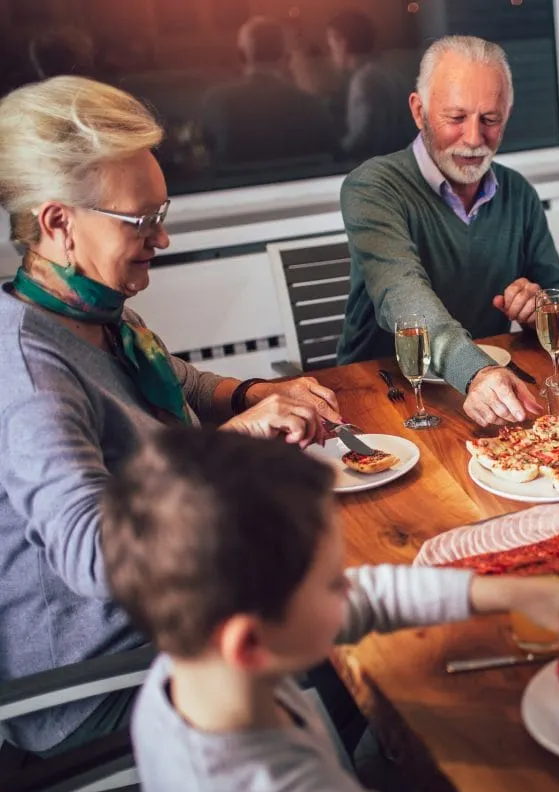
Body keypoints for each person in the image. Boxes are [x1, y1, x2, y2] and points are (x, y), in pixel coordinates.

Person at [106, 427, 559, 792]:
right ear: (248, 642)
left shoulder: (194, 662)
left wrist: (510, 591)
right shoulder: (274, 791)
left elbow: (369, 598)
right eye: (330, 582)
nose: (349, 589)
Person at [0, 75, 340, 755]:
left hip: (171, 608)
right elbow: (93, 555)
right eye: (140, 221)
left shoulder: (96, 314)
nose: (163, 236)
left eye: (161, 212)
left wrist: (252, 395)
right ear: (58, 222)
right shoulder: (29, 371)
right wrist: (232, 445)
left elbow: (180, 381)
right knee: (341, 638)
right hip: (95, 677)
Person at [336, 35, 559, 427]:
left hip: (484, 391)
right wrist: (475, 372)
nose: (474, 139)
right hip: (387, 395)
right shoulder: (372, 187)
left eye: (490, 120)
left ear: (507, 114)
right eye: (455, 118)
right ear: (419, 112)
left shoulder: (518, 191)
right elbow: (405, 298)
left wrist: (540, 306)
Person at [201, 16, 337, 167]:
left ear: (241, 55)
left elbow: (206, 155)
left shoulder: (216, 102)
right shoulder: (312, 105)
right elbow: (331, 155)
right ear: (286, 56)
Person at [326, 8, 417, 159]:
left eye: (331, 47)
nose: (331, 54)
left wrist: (336, 154)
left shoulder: (364, 81)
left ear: (342, 44)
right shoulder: (393, 74)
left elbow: (364, 138)